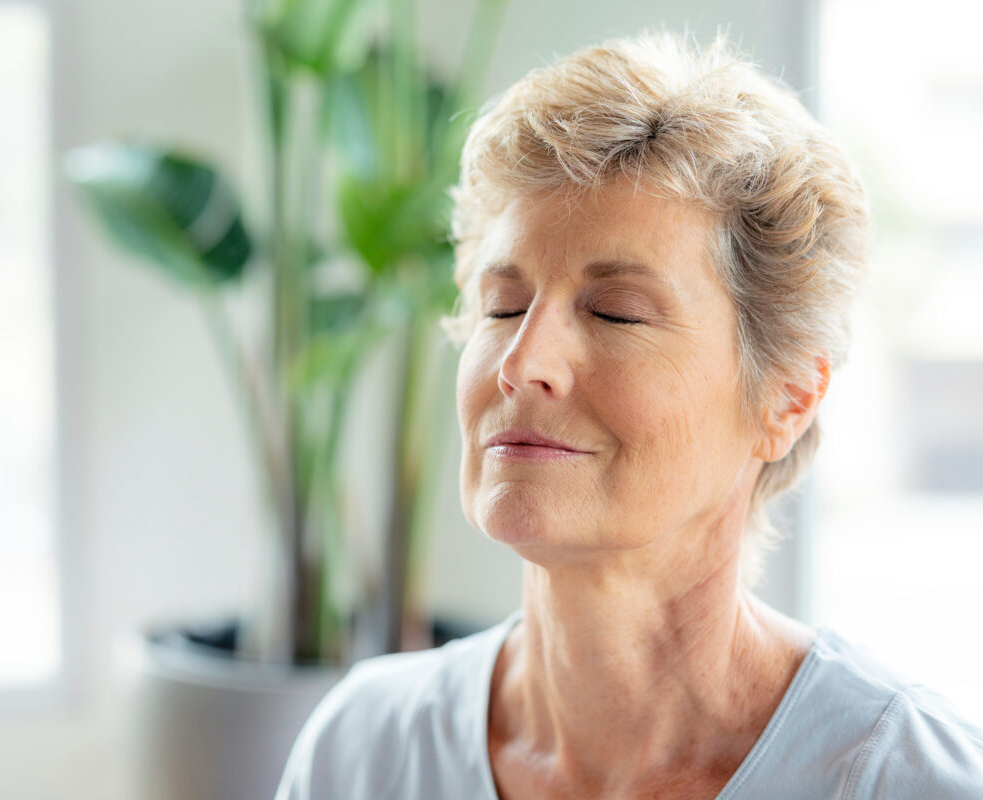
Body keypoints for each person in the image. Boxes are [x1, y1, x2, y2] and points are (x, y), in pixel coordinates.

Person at [274, 32, 983, 799]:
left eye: (615, 314)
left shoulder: (907, 778)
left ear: (786, 397)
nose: (521, 362)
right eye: (503, 306)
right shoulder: (364, 751)